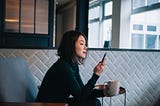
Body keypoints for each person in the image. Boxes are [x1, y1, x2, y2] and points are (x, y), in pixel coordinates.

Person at [36, 30, 106, 106]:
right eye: (82, 43)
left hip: (60, 103)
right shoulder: (63, 67)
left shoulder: (72, 65)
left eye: (85, 44)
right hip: (49, 104)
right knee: (94, 103)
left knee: (94, 102)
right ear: (71, 46)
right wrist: (96, 75)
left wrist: (105, 92)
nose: (86, 47)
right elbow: (80, 96)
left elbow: (83, 92)